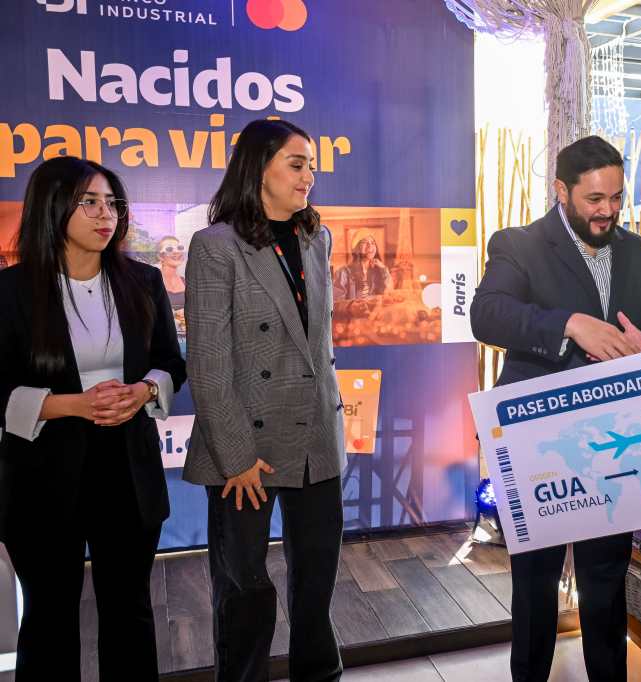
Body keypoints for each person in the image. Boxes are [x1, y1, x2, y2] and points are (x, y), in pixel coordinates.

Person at [470, 135, 641, 682]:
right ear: (561, 191)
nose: (608, 210)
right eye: (594, 199)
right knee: (534, 585)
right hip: (539, 443)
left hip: (614, 443)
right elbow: (487, 314)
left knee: (605, 583)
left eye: (617, 197)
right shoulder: (519, 244)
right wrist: (568, 324)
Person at [0, 156, 186, 680]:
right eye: (89, 202)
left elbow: (171, 363)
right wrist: (71, 404)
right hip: (42, 473)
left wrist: (144, 390)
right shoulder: (11, 292)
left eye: (112, 203)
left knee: (130, 612)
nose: (106, 214)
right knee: (49, 619)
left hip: (128, 469)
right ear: (52, 207)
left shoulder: (143, 281)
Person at [183, 118, 346, 682]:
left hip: (316, 440)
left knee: (317, 583)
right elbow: (208, 363)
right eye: (297, 164)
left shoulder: (317, 238)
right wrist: (236, 458)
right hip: (245, 450)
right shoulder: (215, 246)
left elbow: (317, 344)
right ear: (258, 168)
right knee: (245, 591)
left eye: (312, 166)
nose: (309, 176)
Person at [332, 234, 391, 317]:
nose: (370, 245)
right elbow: (332, 303)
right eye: (365, 242)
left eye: (373, 243)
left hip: (374, 317)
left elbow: (388, 293)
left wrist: (383, 269)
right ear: (356, 248)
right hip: (352, 320)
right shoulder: (343, 273)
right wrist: (350, 306)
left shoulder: (377, 270)